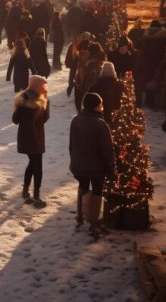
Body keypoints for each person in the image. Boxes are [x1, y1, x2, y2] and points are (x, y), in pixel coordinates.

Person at [69, 93, 114, 237]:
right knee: (96, 191)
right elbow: (107, 149)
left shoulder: (75, 120)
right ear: (95, 106)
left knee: (83, 187)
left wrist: (75, 160)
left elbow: (72, 144)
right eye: (100, 104)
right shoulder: (101, 124)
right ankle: (93, 222)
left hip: (79, 165)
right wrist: (111, 166)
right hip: (97, 167)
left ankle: (81, 215)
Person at [12, 75, 50, 208]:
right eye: (43, 85)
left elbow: (44, 119)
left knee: (33, 164)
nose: (45, 88)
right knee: (37, 165)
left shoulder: (33, 99)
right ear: (36, 86)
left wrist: (46, 100)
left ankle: (26, 190)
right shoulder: (28, 100)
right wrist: (21, 107)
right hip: (32, 138)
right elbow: (16, 120)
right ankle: (36, 195)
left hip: (31, 137)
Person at [74, 42, 105, 112]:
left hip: (89, 99)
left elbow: (81, 85)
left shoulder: (90, 65)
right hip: (99, 101)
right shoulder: (103, 64)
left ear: (91, 53)